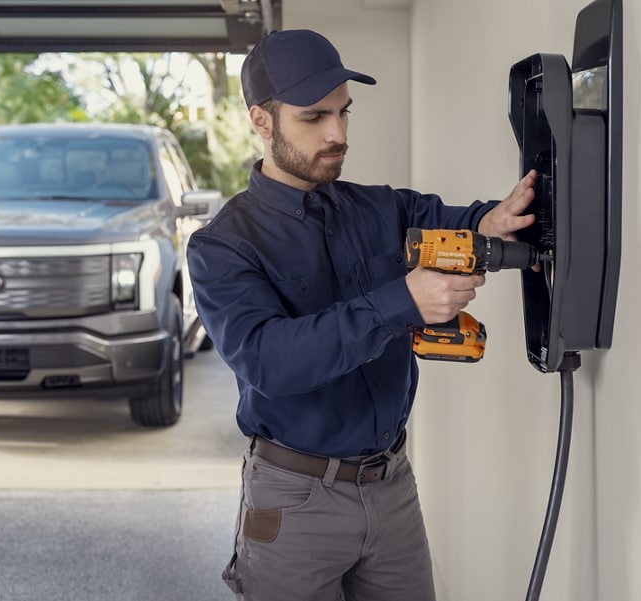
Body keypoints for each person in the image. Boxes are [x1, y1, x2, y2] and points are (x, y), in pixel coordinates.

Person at [186, 29, 537, 601]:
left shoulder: (381, 209)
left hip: (392, 485)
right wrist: (404, 301)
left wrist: (492, 221)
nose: (338, 134)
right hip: (294, 498)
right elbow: (269, 362)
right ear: (262, 120)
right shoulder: (222, 246)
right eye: (315, 117)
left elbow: (459, 222)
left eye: (344, 112)